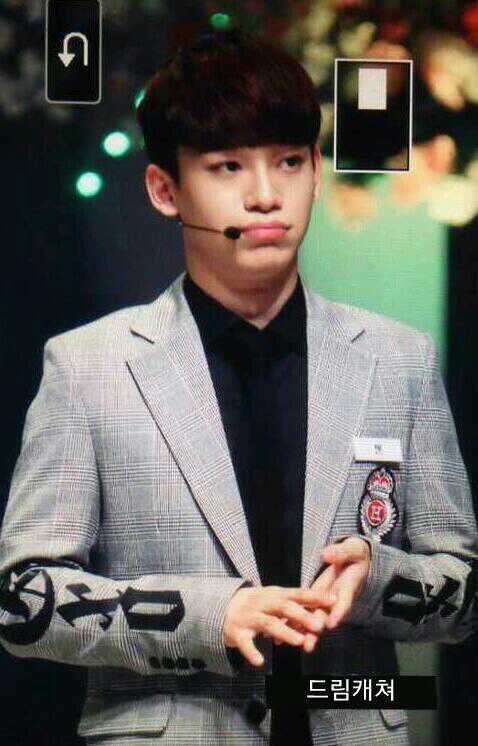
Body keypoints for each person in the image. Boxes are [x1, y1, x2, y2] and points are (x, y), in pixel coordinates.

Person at [0, 27, 477, 746]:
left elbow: (465, 592)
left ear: (316, 171)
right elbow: (21, 598)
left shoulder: (399, 359)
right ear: (165, 189)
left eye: (288, 162)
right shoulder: (87, 367)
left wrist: (377, 578)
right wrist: (208, 615)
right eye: (226, 167)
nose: (264, 196)